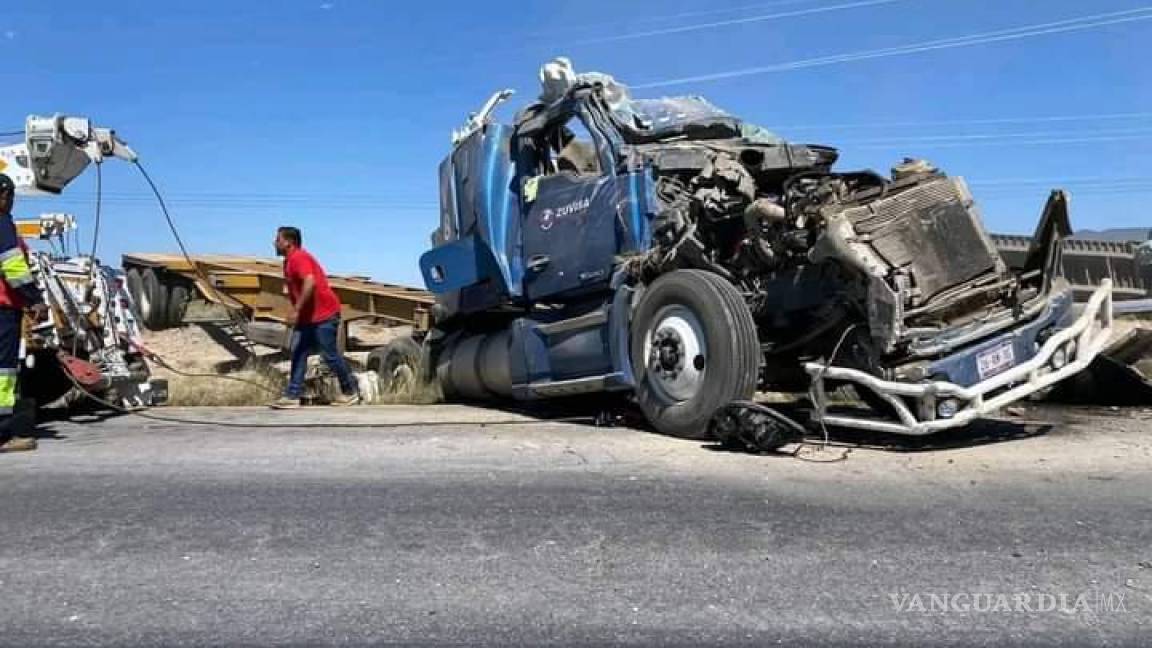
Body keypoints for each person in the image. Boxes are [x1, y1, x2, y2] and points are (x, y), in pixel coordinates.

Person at [270, 226, 360, 408]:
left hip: (324, 315)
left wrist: (296, 310)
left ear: (289, 242)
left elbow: (310, 282)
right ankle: (293, 395)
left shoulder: (299, 257)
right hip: (308, 318)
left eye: (278, 239)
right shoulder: (288, 261)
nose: (274, 242)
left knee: (329, 355)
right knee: (299, 352)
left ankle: (351, 392)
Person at [0, 174, 48, 452]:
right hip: (3, 310)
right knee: (3, 372)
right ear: (4, 196)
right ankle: (4, 435)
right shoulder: (2, 223)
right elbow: (14, 267)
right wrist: (35, 299)